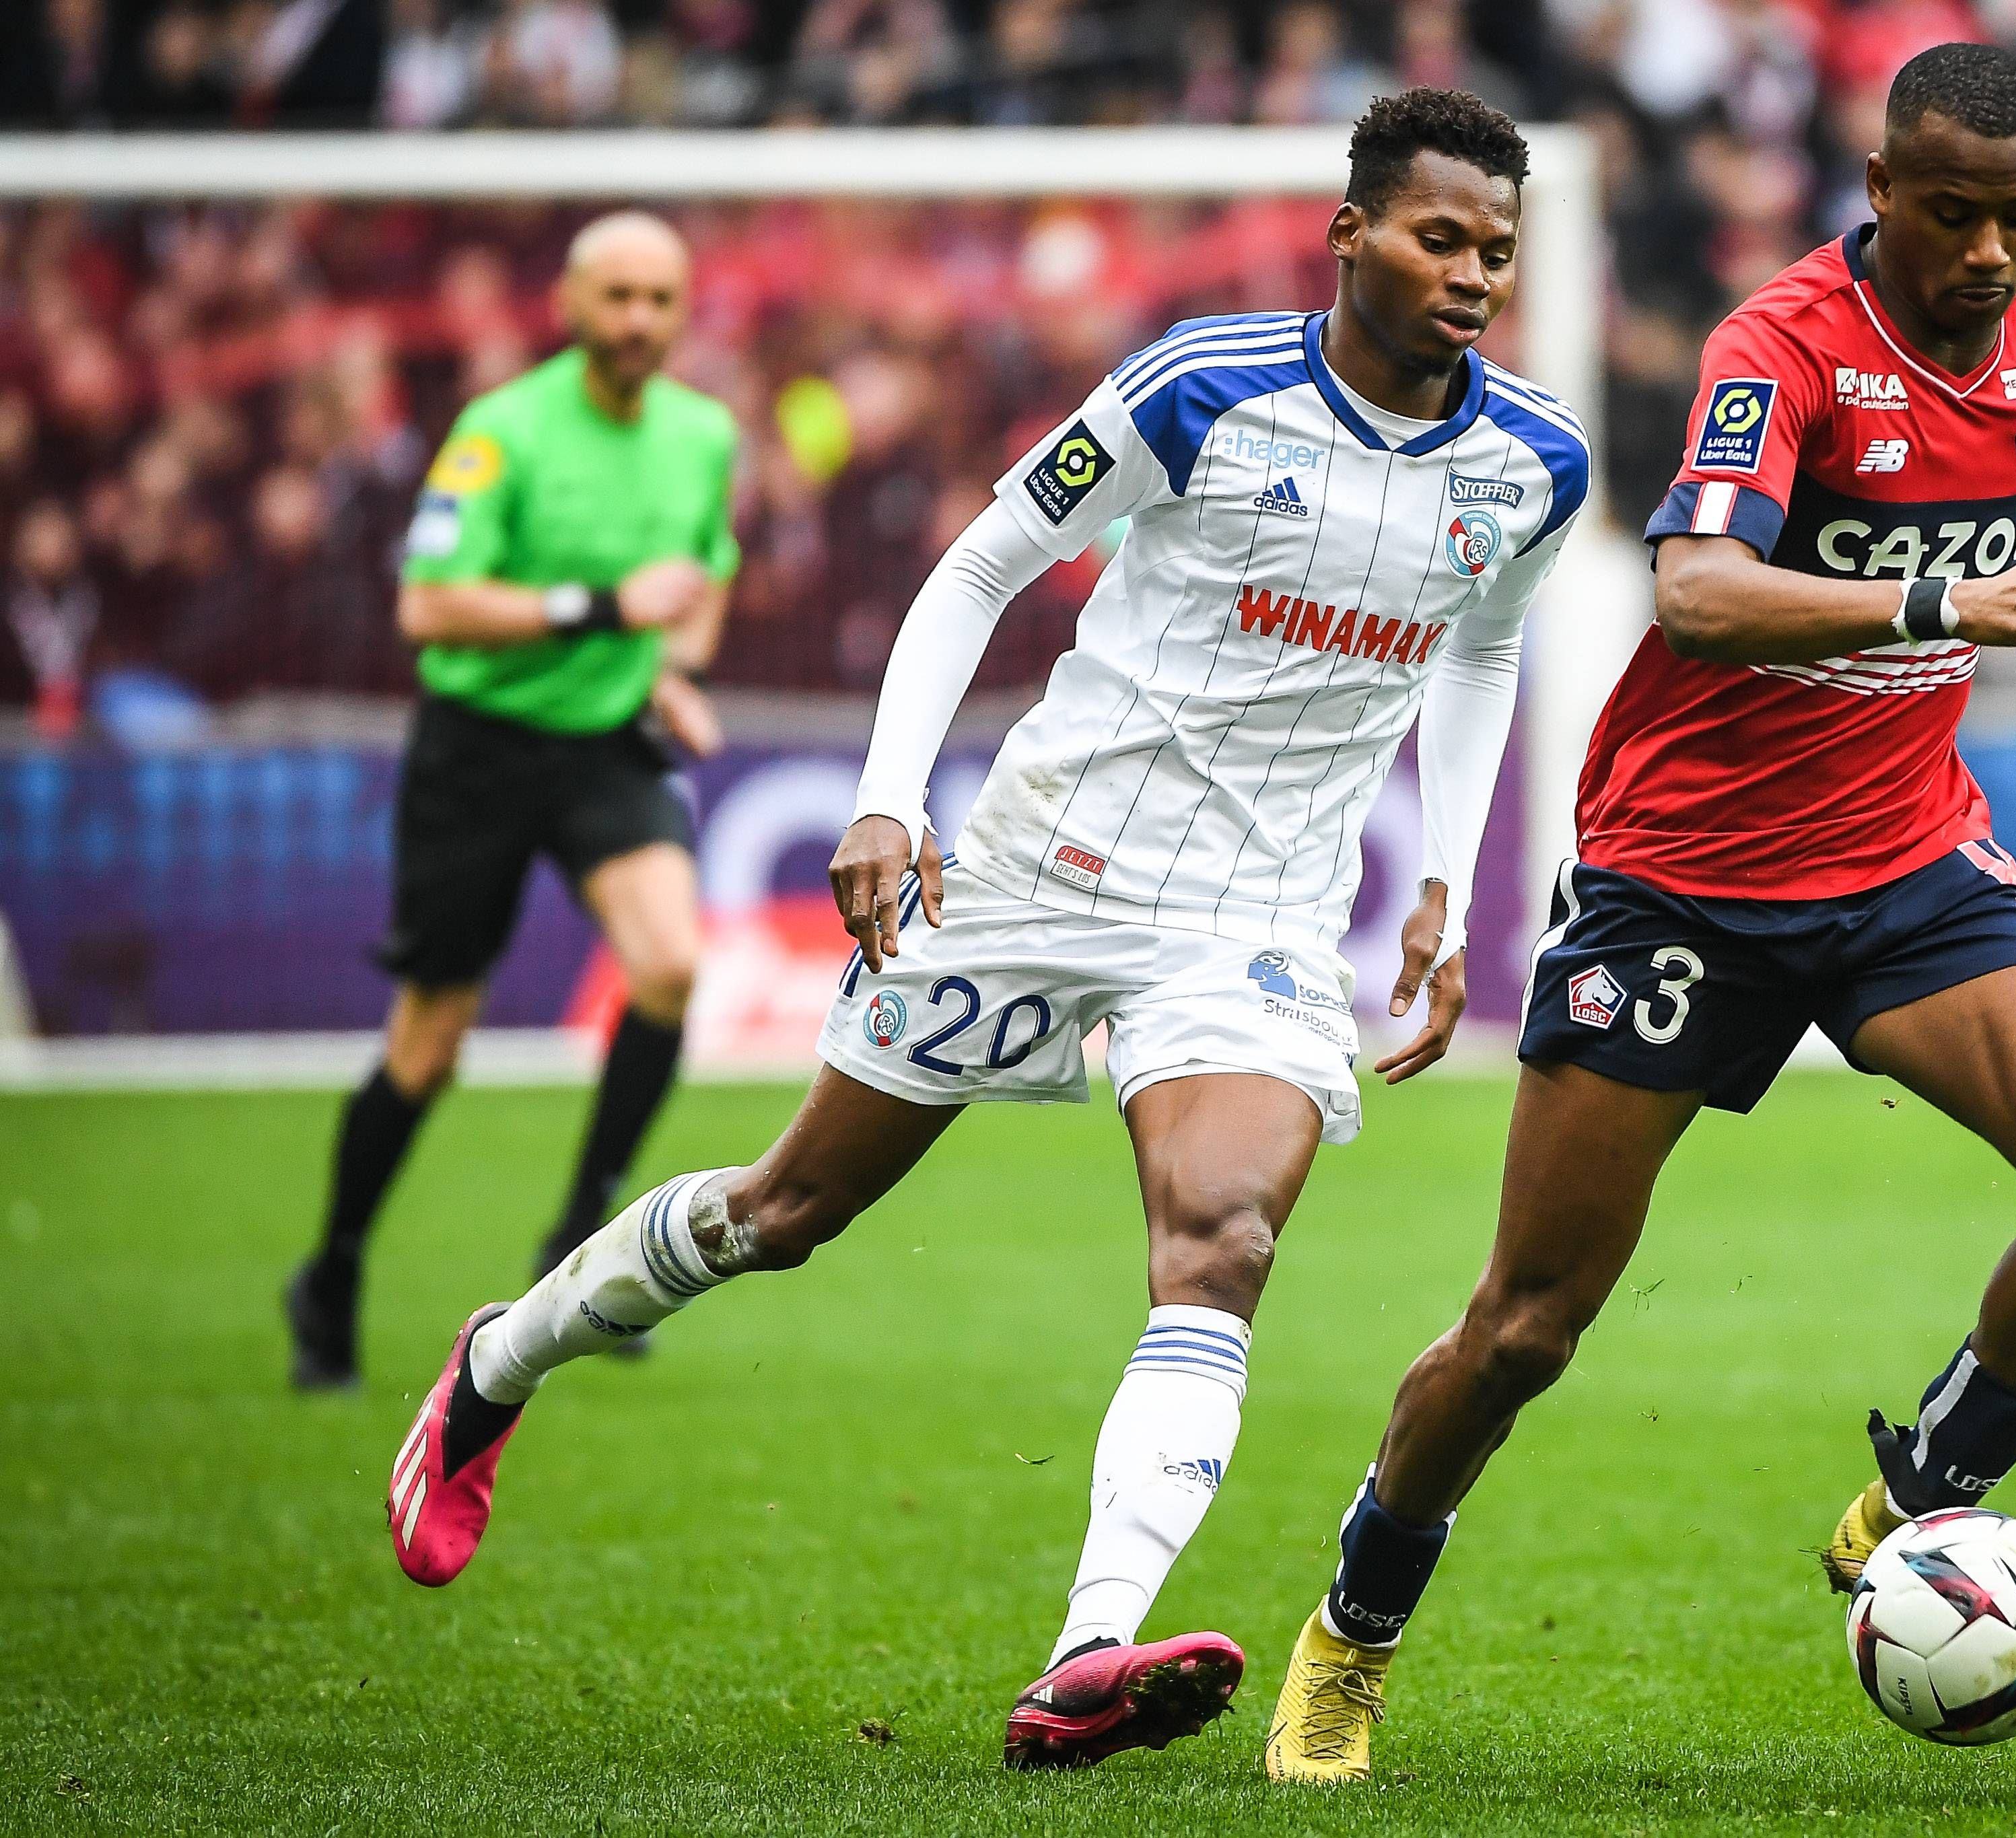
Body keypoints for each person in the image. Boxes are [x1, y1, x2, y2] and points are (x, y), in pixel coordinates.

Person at [378, 89, 1591, 1773]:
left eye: (1498, 252)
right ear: (1353, 232)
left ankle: (1089, 1650)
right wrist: (890, 798)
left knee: (1222, 1234)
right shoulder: (1198, 389)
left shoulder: (1535, 460)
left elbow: (1478, 654)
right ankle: (497, 1361)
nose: (1473, 275)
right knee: (791, 1208)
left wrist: (1453, 877)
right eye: (1440, 238)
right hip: (1038, 869)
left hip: (1250, 921)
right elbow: (975, 568)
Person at [1263, 44, 2016, 1783]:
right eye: (1949, 215)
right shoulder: (1781, 349)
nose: (1983, 253)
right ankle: (1348, 1639)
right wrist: (1944, 591)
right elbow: (1700, 588)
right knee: (1525, 1325)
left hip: (1905, 860)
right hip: (1689, 878)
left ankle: (1916, 1496)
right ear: (1878, 191)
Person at [285, 212, 736, 1391]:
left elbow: (699, 583)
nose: (638, 320)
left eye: (659, 300)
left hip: (603, 744)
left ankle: (577, 1244)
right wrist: (600, 608)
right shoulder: (503, 431)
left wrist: (678, 670)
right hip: (477, 750)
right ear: (573, 306)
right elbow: (428, 608)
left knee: (671, 966)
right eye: (617, 297)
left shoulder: (703, 437)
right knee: (428, 1050)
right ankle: (331, 1268)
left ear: (683, 312)